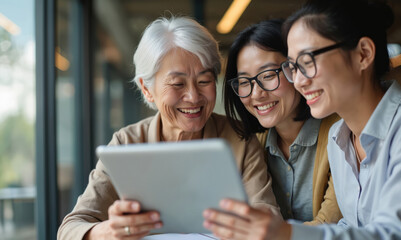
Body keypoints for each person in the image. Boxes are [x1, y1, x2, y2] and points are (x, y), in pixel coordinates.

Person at [203, 0, 401, 239]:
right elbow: (350, 227)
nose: (298, 81)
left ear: (363, 54)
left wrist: (287, 233)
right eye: (294, 68)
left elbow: (397, 234)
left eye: (308, 62)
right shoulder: (341, 138)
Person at [57, 16, 279, 240]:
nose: (193, 97)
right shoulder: (127, 144)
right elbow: (69, 230)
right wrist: (108, 231)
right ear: (146, 88)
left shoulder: (239, 138)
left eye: (204, 81)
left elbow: (268, 216)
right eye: (177, 84)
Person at [222, 19, 341, 224]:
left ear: (295, 69)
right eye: (244, 82)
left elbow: (330, 223)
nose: (257, 93)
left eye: (268, 75)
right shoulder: (251, 145)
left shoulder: (341, 133)